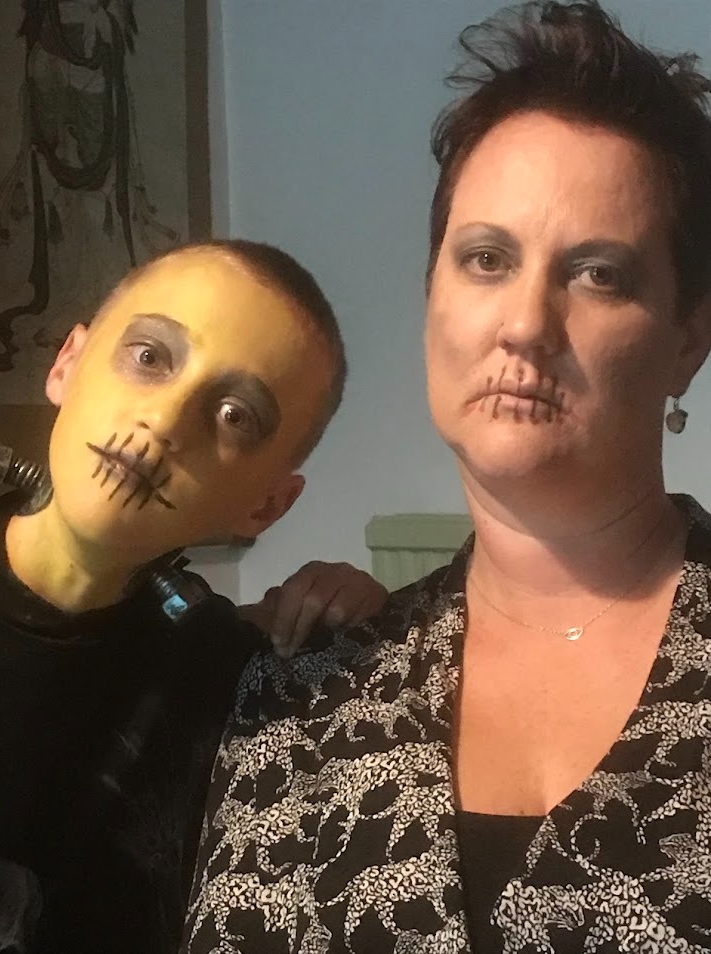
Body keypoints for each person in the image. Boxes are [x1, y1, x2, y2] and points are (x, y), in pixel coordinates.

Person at [183, 3, 711, 951]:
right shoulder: (304, 696)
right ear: (433, 295)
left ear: (688, 340)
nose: (526, 323)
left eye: (597, 273)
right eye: (486, 259)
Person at [0, 238, 388, 954]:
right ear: (67, 363)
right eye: (149, 357)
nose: (166, 422)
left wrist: (363, 617)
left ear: (266, 505)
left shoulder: (232, 689)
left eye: (235, 415)